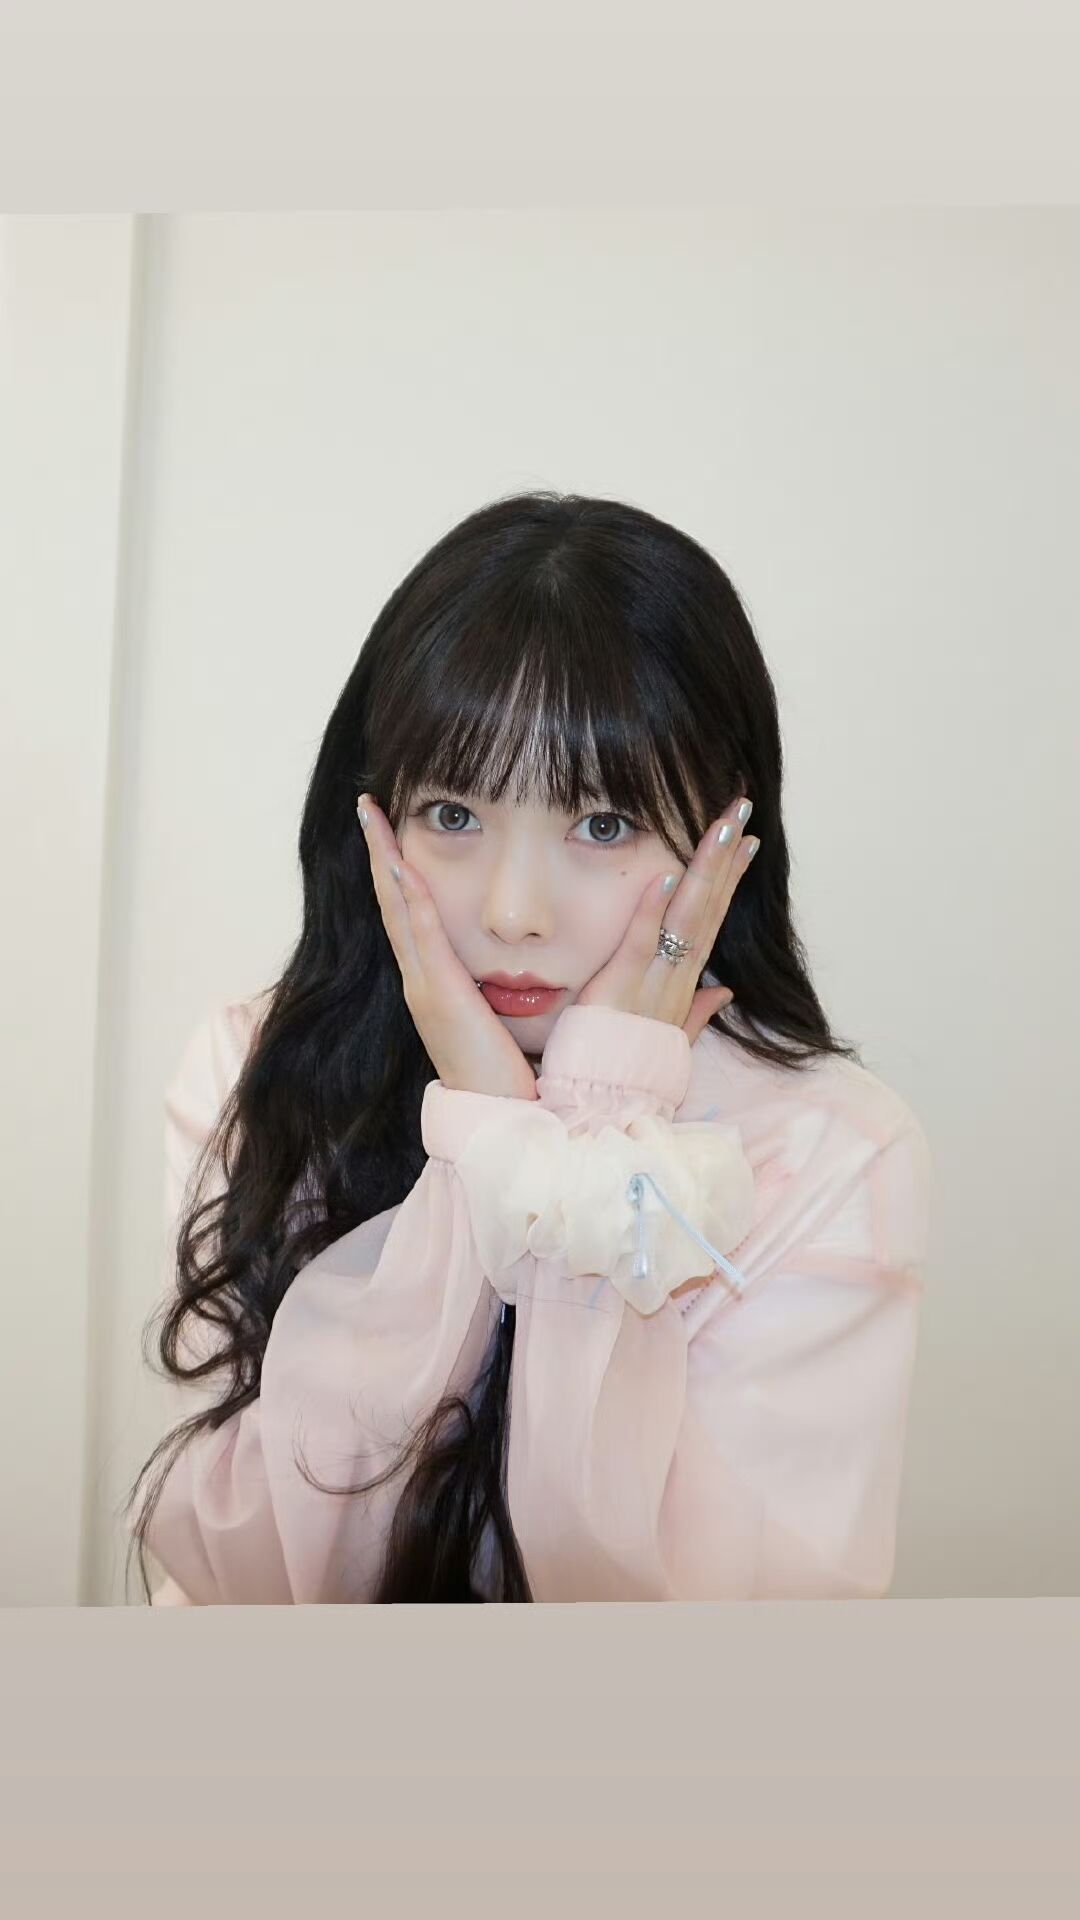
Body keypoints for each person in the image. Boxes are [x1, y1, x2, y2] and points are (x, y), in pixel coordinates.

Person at [125, 489, 933, 1605]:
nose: (514, 913)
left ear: (722, 836)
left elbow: (717, 1644)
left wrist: (592, 1118)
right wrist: (488, 1142)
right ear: (371, 813)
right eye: (454, 815)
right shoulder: (252, 1068)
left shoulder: (827, 1148)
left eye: (602, 825)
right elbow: (255, 1577)